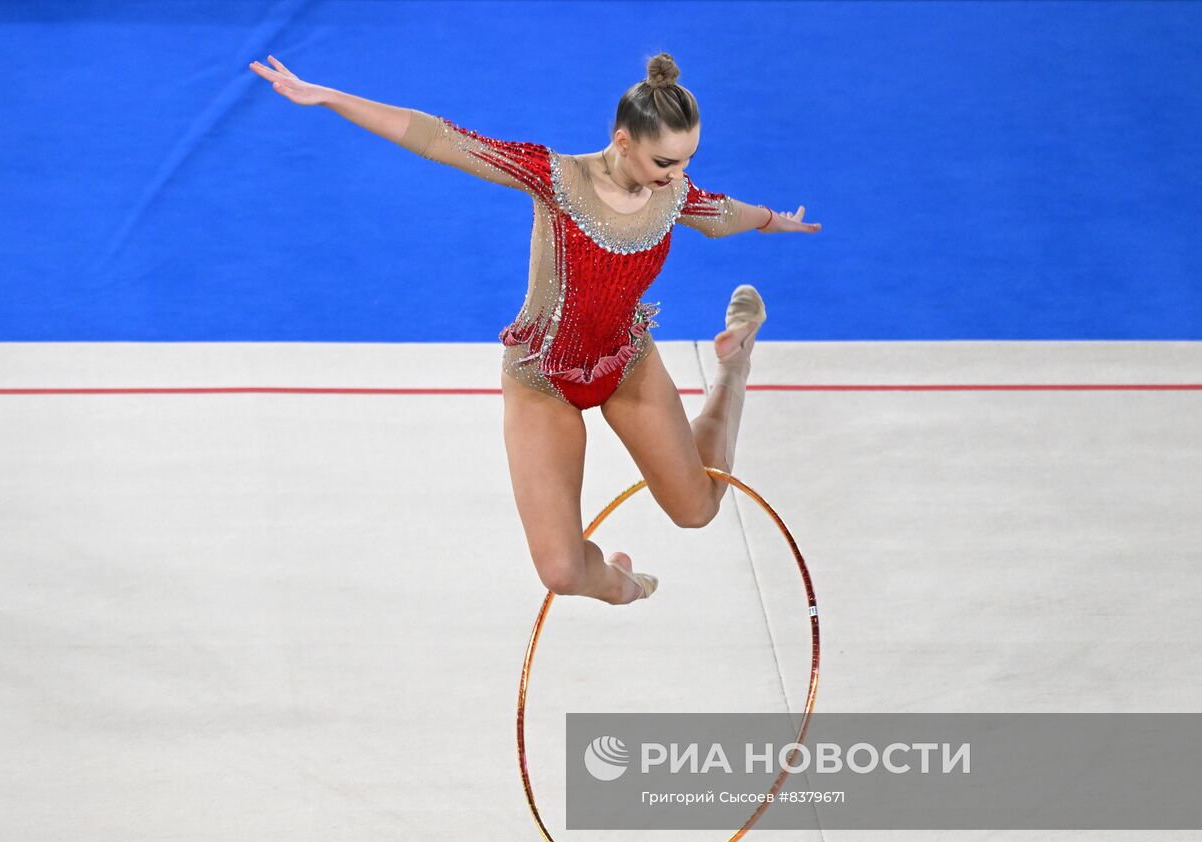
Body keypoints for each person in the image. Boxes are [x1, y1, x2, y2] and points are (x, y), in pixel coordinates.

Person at [249, 51, 821, 605]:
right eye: (666, 162)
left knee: (697, 509)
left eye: (688, 159)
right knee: (563, 571)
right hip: (541, 378)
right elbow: (443, 140)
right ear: (623, 141)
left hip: (624, 362)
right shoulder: (557, 179)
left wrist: (773, 221)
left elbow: (721, 215)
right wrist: (329, 97)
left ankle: (733, 367)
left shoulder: (672, 195)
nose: (679, 175)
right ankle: (624, 583)